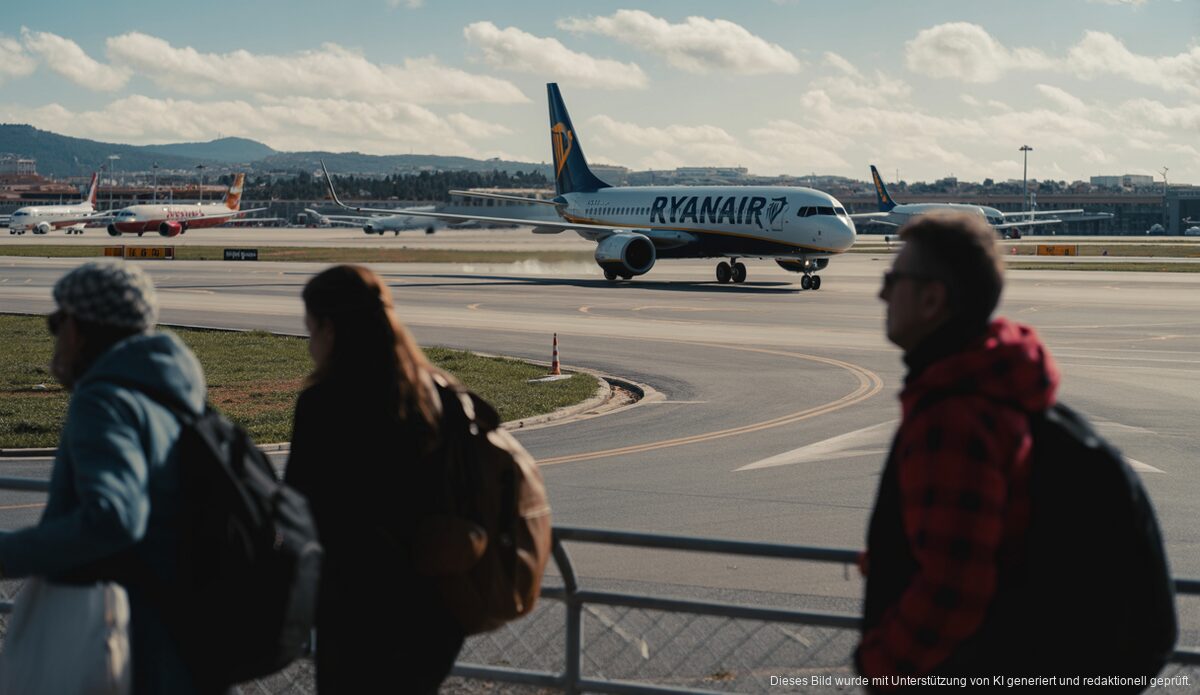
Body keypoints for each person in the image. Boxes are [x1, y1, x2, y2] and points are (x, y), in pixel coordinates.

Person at [857, 214, 1060, 686]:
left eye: (892, 280)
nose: (881, 294)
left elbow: (954, 587)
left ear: (931, 299)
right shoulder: (998, 389)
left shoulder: (953, 419)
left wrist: (881, 668)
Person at [0, 260, 205, 693]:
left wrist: (9, 553)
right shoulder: (171, 389)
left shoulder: (104, 400)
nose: (54, 334)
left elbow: (114, 518)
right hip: (178, 625)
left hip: (117, 632)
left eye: (57, 320)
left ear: (80, 328)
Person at [285, 264, 465, 693]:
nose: (310, 344)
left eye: (310, 330)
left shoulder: (325, 403)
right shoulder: (440, 394)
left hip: (355, 606)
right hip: (435, 607)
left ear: (330, 328)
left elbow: (300, 507)